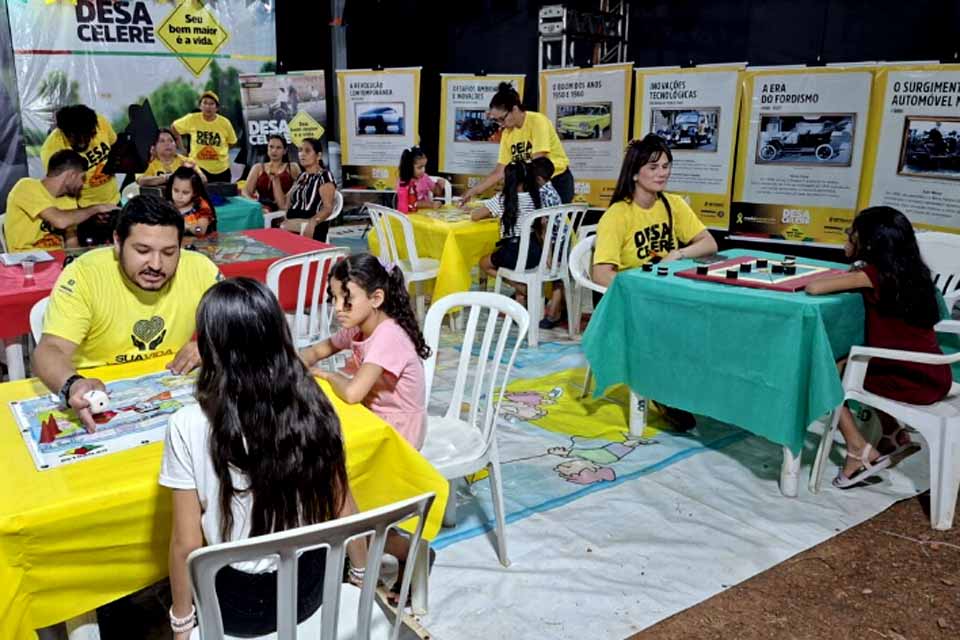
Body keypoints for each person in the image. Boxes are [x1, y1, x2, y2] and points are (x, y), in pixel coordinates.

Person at [161, 277, 364, 638]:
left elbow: (186, 543)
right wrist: (361, 575)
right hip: (311, 586)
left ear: (209, 346)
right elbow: (343, 503)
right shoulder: (313, 402)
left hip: (240, 607)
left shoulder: (187, 423)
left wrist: (181, 623)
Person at [31, 195, 221, 433]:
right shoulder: (85, 275)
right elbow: (49, 350)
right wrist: (73, 384)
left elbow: (247, 329)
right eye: (142, 250)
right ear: (117, 242)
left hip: (173, 396)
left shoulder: (201, 269)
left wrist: (211, 345)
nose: (156, 264)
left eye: (169, 252)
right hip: (98, 398)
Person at [805, 206, 952, 488]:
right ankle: (893, 432)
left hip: (907, 379)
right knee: (851, 363)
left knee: (825, 371)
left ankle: (857, 450)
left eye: (852, 232)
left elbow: (814, 288)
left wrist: (851, 254)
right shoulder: (915, 272)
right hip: (934, 374)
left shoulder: (873, 274)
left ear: (869, 242)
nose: (849, 236)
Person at [592, 135, 718, 432]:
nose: (663, 172)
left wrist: (679, 253)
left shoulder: (673, 204)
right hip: (633, 299)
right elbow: (601, 273)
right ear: (635, 172)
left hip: (668, 292)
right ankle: (664, 393)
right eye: (654, 167)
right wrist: (638, 294)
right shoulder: (618, 214)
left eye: (666, 165)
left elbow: (708, 243)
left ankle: (686, 389)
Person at [299, 253, 429, 450]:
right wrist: (291, 363)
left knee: (323, 445)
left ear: (376, 298)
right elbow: (317, 351)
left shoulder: (388, 337)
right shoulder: (359, 326)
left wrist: (325, 374)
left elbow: (352, 393)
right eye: (335, 298)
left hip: (399, 433)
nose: (338, 308)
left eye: (347, 299)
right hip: (375, 416)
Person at [460, 82, 574, 204]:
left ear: (514, 109)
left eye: (502, 119)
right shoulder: (507, 134)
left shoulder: (538, 121)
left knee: (550, 222)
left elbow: (539, 162)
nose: (501, 124)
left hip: (555, 181)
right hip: (530, 183)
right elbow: (500, 171)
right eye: (496, 121)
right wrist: (474, 190)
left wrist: (514, 187)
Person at [4, 150, 115, 252]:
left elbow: (71, 242)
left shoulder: (68, 200)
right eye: (82, 178)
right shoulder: (26, 187)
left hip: (57, 262)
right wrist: (96, 208)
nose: (83, 184)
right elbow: (60, 221)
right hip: (25, 262)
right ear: (71, 175)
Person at [469, 161, 543, 300]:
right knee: (510, 261)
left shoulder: (503, 199)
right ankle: (521, 296)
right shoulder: (535, 197)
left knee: (483, 263)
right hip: (535, 253)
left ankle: (519, 286)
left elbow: (475, 216)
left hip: (513, 253)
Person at [40, 104, 120, 208]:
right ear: (64, 132)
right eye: (76, 138)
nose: (82, 142)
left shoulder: (99, 122)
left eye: (87, 136)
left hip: (113, 200)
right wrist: (86, 212)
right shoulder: (52, 149)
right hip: (82, 209)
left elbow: (115, 145)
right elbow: (59, 190)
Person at [274, 138, 338, 242]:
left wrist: (312, 222)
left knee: (279, 230)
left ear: (318, 156)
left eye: (307, 151)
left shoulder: (324, 176)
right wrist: (275, 181)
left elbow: (327, 208)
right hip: (292, 221)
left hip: (312, 225)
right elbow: (284, 205)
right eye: (300, 150)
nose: (302, 154)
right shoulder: (302, 176)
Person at [529, 157, 565, 328]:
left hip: (553, 243)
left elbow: (545, 228)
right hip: (564, 242)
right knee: (559, 277)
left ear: (537, 179)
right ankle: (554, 309)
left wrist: (548, 253)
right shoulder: (552, 190)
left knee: (553, 274)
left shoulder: (541, 195)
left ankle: (551, 312)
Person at [171, 91, 238, 183]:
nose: (208, 107)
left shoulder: (225, 123)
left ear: (217, 108)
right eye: (205, 103)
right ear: (200, 106)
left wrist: (220, 150)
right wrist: (182, 149)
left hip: (221, 169)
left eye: (211, 104)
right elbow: (174, 127)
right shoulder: (192, 119)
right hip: (197, 168)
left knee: (222, 197)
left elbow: (232, 142)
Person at [241, 134, 300, 212]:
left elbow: (301, 190)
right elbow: (245, 191)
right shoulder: (258, 168)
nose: (274, 151)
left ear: (285, 151)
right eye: (271, 147)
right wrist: (255, 203)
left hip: (286, 209)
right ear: (267, 148)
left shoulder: (292, 167)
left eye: (278, 148)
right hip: (263, 209)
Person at [137, 128, 205, 187]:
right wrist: (167, 178)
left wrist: (191, 173)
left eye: (171, 140)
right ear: (154, 146)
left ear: (176, 145)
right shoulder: (149, 163)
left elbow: (203, 179)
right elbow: (141, 181)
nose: (167, 144)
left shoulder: (186, 161)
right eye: (162, 141)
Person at [163, 167, 217, 237]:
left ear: (194, 192)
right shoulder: (166, 205)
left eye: (185, 193)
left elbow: (200, 230)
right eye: (176, 190)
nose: (179, 196)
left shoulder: (201, 206)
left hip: (199, 244)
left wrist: (187, 226)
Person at [396, 146, 448, 211]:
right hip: (409, 215)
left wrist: (440, 185)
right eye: (419, 167)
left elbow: (437, 192)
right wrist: (430, 204)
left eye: (424, 166)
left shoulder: (424, 177)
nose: (423, 170)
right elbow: (411, 203)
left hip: (425, 214)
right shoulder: (404, 182)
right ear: (408, 167)